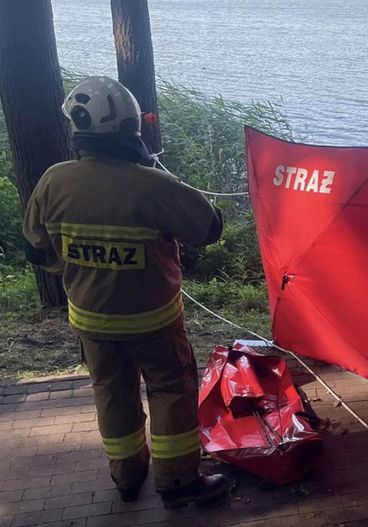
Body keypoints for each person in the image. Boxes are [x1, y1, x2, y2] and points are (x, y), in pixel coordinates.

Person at [22, 76, 229, 508]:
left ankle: (127, 476)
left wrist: (78, 270)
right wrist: (158, 173)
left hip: (90, 321)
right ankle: (178, 481)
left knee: (111, 394)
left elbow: (38, 251)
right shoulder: (152, 185)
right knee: (171, 391)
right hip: (153, 322)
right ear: (131, 128)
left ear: (77, 130)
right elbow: (210, 228)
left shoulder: (53, 181)